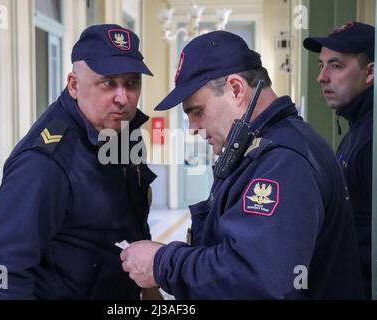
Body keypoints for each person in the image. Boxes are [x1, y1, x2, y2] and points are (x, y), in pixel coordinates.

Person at [120, 30, 364, 299]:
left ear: (236, 89)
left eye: (197, 111)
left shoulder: (283, 160)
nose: (192, 128)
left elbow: (256, 281)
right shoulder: (261, 148)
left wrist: (162, 264)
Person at [0, 24, 160, 299]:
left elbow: (130, 220)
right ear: (74, 85)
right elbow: (1, 271)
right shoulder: (44, 162)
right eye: (108, 83)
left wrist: (148, 288)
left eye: (132, 83)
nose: (123, 98)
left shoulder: (121, 132)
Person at [303, 21, 374, 298]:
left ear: (370, 73)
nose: (321, 77)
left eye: (336, 66)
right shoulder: (359, 128)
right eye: (321, 65)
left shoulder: (371, 139)